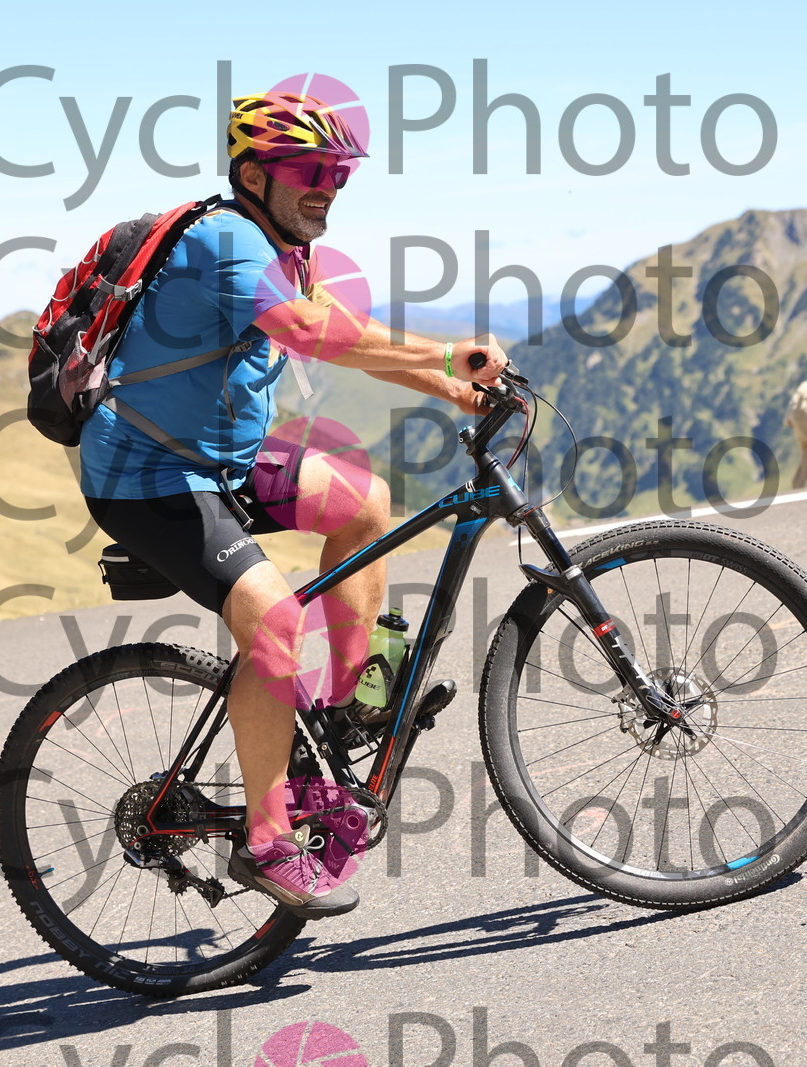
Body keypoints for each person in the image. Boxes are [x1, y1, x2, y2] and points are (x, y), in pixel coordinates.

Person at [78, 91, 509, 919]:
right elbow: (309, 333)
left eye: (337, 175)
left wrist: (452, 388)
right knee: (276, 623)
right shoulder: (224, 240)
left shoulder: (285, 249)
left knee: (365, 501)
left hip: (222, 462)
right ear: (253, 175)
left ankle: (342, 716)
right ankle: (268, 840)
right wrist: (451, 349)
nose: (326, 189)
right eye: (310, 171)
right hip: (149, 479)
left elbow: (344, 329)